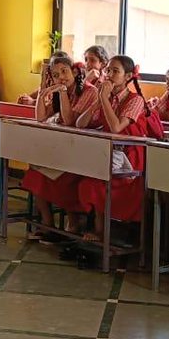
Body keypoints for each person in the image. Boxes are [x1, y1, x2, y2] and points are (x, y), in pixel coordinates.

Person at [20, 54, 98, 240]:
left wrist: (62, 92)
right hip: (63, 149)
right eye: (55, 75)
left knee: (65, 177)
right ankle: (48, 224)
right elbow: (40, 118)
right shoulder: (57, 90)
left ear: (75, 71)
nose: (61, 77)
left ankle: (73, 222)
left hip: (85, 150)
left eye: (64, 71)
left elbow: (70, 121)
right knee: (35, 173)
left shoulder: (89, 91)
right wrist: (43, 91)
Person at [75, 55, 149, 242]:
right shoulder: (107, 98)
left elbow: (116, 128)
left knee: (96, 182)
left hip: (129, 157)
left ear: (128, 77)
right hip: (108, 152)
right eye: (108, 70)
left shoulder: (136, 100)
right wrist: (99, 102)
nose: (109, 75)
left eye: (115, 71)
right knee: (87, 179)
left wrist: (104, 100)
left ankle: (101, 233)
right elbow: (80, 123)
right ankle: (99, 231)